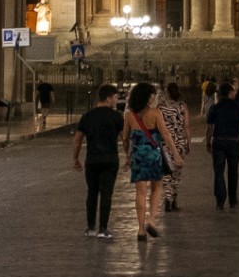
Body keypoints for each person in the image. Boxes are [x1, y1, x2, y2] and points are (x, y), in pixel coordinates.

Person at [72, 84, 124, 238]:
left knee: (92, 193)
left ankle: (90, 227)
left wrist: (75, 158)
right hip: (110, 159)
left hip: (92, 159)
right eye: (115, 98)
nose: (116, 101)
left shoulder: (87, 116)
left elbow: (77, 140)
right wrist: (129, 156)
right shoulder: (116, 117)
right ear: (108, 98)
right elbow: (125, 138)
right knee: (106, 194)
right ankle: (103, 228)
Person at [123, 82, 172, 241]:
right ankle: (151, 220)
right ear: (146, 96)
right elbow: (165, 134)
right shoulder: (156, 113)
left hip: (138, 156)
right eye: (152, 95)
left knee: (140, 192)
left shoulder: (129, 116)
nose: (154, 97)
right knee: (157, 187)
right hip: (153, 155)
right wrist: (175, 154)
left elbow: (125, 138)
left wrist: (127, 155)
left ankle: (140, 230)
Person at [204, 82, 239, 209]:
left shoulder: (215, 107)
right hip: (233, 142)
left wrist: (208, 142)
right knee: (233, 171)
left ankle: (220, 200)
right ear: (230, 93)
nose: (236, 93)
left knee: (219, 172)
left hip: (218, 141)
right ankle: (233, 200)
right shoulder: (238, 106)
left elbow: (209, 127)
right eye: (234, 91)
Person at [159, 82, 191, 212]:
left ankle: (167, 199)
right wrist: (188, 142)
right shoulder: (183, 106)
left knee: (167, 171)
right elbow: (187, 126)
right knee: (177, 172)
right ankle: (174, 200)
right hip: (179, 141)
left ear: (167, 93)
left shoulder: (161, 107)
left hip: (166, 142)